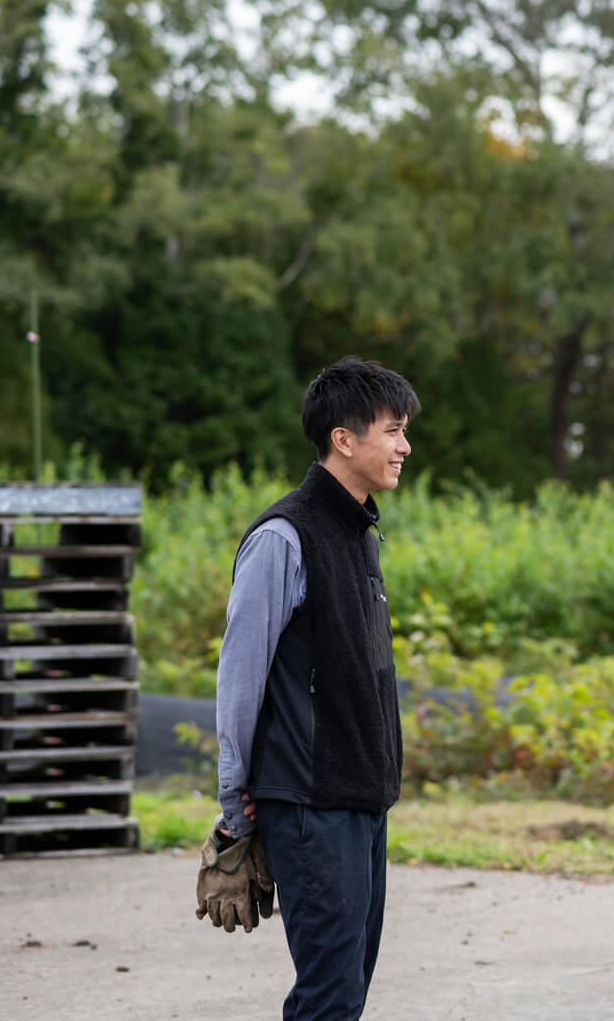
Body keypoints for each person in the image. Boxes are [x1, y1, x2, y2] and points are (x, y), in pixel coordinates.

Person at [197, 355, 420, 1020]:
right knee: (329, 996)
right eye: (392, 429)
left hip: (360, 802)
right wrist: (236, 814)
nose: (405, 445)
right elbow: (240, 686)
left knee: (347, 989)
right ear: (343, 439)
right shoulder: (282, 537)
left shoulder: (359, 534)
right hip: (310, 806)